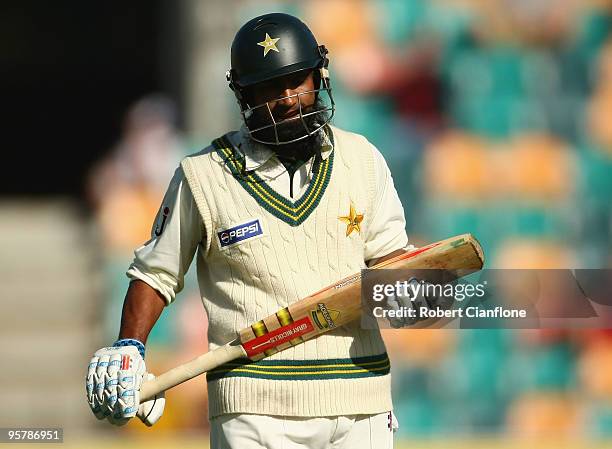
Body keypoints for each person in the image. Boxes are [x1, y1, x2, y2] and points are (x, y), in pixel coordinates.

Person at [86, 12, 414, 448]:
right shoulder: (202, 176)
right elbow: (154, 273)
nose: (286, 98)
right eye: (268, 88)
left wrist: (413, 290)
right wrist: (131, 346)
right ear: (244, 95)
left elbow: (393, 266)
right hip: (254, 408)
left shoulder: (363, 161)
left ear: (319, 78)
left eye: (298, 81)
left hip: (360, 403)